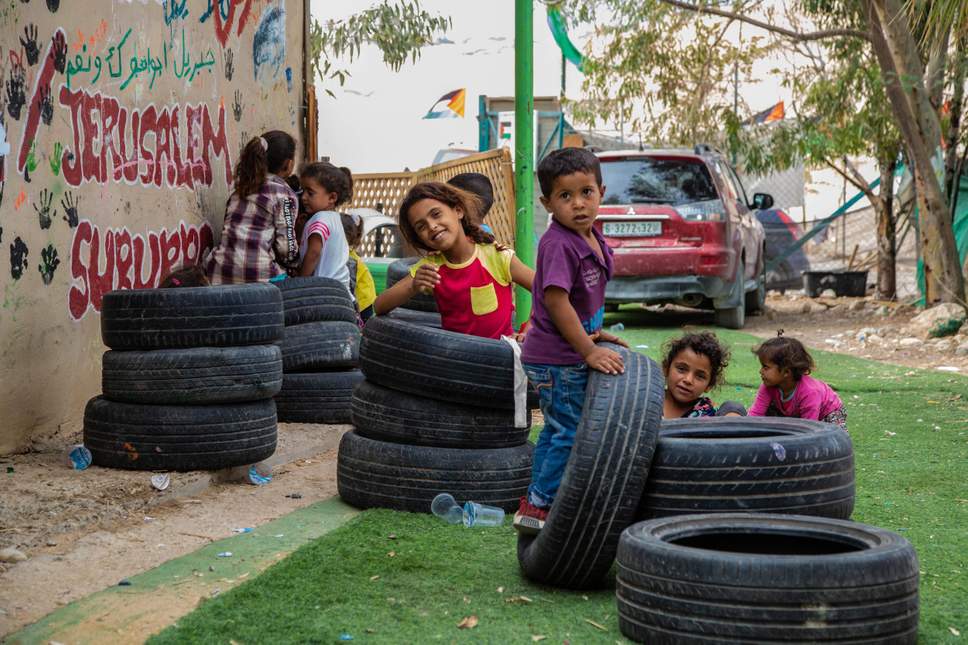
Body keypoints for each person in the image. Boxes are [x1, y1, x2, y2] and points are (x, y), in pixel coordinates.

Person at [512, 147, 627, 535]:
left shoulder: (591, 233)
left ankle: (535, 497)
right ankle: (541, 504)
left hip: (565, 350)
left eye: (586, 192)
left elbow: (584, 298)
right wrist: (588, 349)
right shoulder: (559, 242)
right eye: (565, 196)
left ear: (601, 192)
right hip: (556, 358)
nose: (578, 204)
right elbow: (556, 301)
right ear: (547, 202)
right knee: (571, 430)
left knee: (557, 428)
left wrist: (598, 333)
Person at [374, 182, 534, 340]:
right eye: (421, 226)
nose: (432, 226)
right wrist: (414, 285)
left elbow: (543, 290)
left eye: (436, 214)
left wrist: (530, 331)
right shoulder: (431, 267)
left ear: (458, 210)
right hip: (454, 360)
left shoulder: (496, 256)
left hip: (500, 358)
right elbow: (380, 306)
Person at [206, 131, 299, 284]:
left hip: (219, 272)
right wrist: (296, 263)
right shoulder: (285, 194)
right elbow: (286, 249)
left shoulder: (239, 190)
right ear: (288, 164)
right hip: (260, 277)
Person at [749, 332, 847, 431]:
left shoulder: (810, 392)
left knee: (832, 438)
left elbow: (809, 428)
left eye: (765, 367)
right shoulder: (768, 386)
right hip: (795, 414)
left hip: (828, 413)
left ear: (786, 372)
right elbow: (755, 415)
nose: (760, 371)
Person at [660, 331, 746, 418]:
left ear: (709, 385)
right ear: (666, 368)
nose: (688, 380)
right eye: (681, 369)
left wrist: (732, 412)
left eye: (700, 376)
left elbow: (732, 408)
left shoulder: (707, 414)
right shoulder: (649, 398)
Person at [297, 162, 353, 293]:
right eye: (303, 191)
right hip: (341, 291)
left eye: (310, 193)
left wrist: (300, 282)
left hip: (323, 292)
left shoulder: (320, 218)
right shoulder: (335, 219)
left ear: (332, 197)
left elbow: (314, 253)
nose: (303, 197)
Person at [341, 212, 376, 322]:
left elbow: (350, 285)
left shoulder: (349, 260)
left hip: (364, 302)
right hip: (365, 297)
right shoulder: (347, 254)